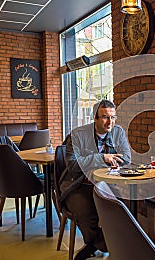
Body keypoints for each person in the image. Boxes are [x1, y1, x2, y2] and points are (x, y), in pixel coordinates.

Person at [59, 100, 131, 259]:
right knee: (86, 211)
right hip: (78, 185)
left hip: (106, 185)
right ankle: (102, 244)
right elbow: (73, 164)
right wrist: (102, 158)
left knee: (123, 208)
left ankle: (94, 245)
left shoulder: (117, 132)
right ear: (95, 118)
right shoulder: (77, 135)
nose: (110, 122)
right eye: (105, 117)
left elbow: (126, 159)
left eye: (113, 117)